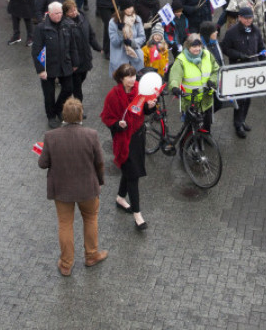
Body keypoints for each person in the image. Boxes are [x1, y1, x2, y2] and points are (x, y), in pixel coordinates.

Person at [37, 96, 107, 277]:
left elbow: (42, 164)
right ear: (81, 115)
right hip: (87, 189)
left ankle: (66, 264)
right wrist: (99, 181)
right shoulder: (91, 135)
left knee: (65, 224)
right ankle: (91, 255)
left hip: (62, 190)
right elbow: (99, 162)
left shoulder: (50, 137)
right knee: (91, 219)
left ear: (63, 115)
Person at [101, 63, 157, 231]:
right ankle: (137, 214)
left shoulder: (140, 90)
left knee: (129, 170)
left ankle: (120, 198)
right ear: (121, 79)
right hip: (122, 139)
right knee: (133, 175)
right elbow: (107, 117)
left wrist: (150, 107)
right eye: (129, 77)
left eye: (134, 76)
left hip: (138, 137)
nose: (133, 80)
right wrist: (118, 124)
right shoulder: (113, 95)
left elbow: (144, 111)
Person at [32, 1, 80, 128]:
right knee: (49, 94)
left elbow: (72, 45)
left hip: (65, 64)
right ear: (50, 13)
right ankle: (51, 116)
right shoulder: (41, 28)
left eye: (60, 13)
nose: (59, 15)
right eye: (56, 13)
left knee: (69, 88)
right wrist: (41, 70)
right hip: (49, 66)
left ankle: (58, 108)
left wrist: (75, 62)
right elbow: (36, 50)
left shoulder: (66, 25)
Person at [222, 6, 266, 138]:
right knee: (240, 98)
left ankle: (242, 120)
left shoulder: (256, 31)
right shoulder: (232, 32)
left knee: (248, 98)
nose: (248, 20)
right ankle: (237, 124)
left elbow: (261, 47)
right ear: (240, 17)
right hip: (238, 70)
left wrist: (263, 59)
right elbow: (226, 49)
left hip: (251, 69)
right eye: (246, 18)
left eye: (250, 18)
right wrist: (238, 55)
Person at [168, 34, 219, 132]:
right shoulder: (181, 60)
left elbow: (216, 70)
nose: (197, 49)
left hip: (206, 99)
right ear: (188, 46)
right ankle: (185, 144)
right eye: (194, 46)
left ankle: (206, 139)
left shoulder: (207, 55)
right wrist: (174, 87)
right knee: (189, 129)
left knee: (207, 126)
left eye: (199, 46)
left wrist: (212, 80)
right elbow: (175, 76)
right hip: (189, 101)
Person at [63, 0, 101, 105]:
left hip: (85, 57)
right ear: (66, 13)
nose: (74, 12)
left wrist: (98, 47)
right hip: (75, 61)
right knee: (77, 86)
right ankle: (78, 106)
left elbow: (91, 34)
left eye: (75, 9)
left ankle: (70, 100)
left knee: (82, 78)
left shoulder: (82, 18)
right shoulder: (65, 25)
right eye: (71, 11)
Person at [107, 0, 146, 74]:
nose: (131, 9)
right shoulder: (113, 22)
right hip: (120, 60)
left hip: (135, 59)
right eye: (128, 8)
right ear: (122, 9)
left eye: (131, 7)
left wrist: (132, 42)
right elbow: (115, 43)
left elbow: (142, 37)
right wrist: (120, 31)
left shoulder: (137, 19)